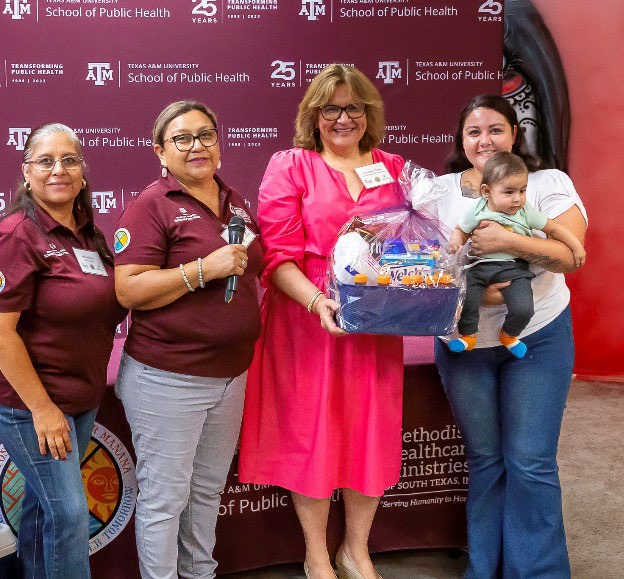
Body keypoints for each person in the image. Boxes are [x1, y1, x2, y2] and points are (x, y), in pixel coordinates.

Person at [238, 64, 405, 579]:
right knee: (311, 434)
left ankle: (356, 550)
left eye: (353, 107)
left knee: (368, 433)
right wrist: (317, 302)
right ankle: (316, 554)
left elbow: (416, 243)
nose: (342, 118)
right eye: (330, 107)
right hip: (307, 321)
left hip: (377, 322)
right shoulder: (291, 165)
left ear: (368, 113)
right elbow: (277, 256)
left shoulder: (394, 166)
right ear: (313, 114)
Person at [434, 95, 587, 578]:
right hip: (465, 343)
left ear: (514, 135)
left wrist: (509, 242)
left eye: (496, 129)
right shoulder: (437, 194)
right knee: (485, 459)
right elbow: (424, 266)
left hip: (537, 335)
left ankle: (538, 573)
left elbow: (570, 254)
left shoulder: (544, 183)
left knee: (530, 461)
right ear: (461, 141)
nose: (485, 140)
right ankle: (485, 570)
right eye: (474, 131)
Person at [113, 100, 264, 579]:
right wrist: (203, 269)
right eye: (182, 138)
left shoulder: (234, 201)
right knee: (164, 499)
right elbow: (129, 289)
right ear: (161, 151)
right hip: (167, 378)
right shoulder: (151, 206)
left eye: (206, 135)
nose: (196, 146)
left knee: (206, 491)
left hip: (230, 376)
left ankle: (200, 574)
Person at [0, 123, 126, 579]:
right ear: (26, 173)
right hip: (34, 408)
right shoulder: (15, 236)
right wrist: (42, 410)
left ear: (83, 173)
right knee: (68, 516)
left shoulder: (87, 234)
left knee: (44, 511)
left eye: (70, 160)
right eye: (46, 161)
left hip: (78, 402)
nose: (58, 170)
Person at [448, 151, 586, 357]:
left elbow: (553, 229)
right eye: (509, 192)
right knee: (469, 300)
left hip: (514, 269)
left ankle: (509, 335)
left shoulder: (525, 212)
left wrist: (575, 245)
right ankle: (468, 336)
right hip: (479, 267)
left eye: (522, 191)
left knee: (523, 307)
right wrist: (456, 241)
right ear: (487, 192)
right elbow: (461, 229)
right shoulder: (478, 210)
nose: (518, 199)